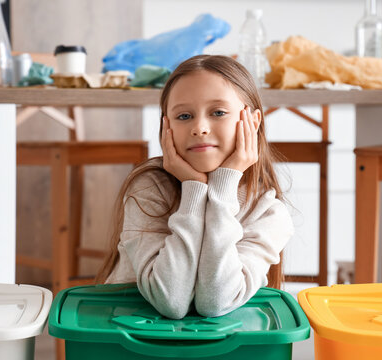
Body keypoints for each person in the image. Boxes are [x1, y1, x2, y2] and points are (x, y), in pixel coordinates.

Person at [96, 55, 294, 319]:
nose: (199, 128)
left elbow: (217, 302)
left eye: (218, 113)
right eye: (184, 116)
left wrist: (221, 191)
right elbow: (170, 301)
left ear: (253, 122)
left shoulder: (268, 213)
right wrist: (194, 189)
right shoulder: (149, 188)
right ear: (166, 126)